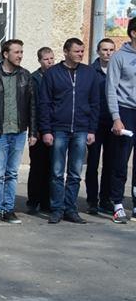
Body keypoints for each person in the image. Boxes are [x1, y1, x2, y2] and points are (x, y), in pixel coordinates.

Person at [39, 38, 100, 224]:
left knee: (75, 172)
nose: (80, 54)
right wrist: (46, 130)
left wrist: (92, 129)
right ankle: (57, 209)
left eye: (82, 51)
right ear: (66, 52)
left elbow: (95, 103)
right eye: (76, 51)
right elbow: (45, 103)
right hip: (59, 129)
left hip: (81, 130)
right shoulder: (53, 74)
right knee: (57, 172)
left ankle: (71, 209)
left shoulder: (89, 73)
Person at [0, 39, 37, 224]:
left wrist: (33, 133)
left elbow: (32, 107)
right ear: (5, 54)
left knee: (12, 173)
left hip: (19, 132)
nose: (20, 55)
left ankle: (8, 210)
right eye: (16, 52)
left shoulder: (26, 76)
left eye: (21, 52)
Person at [107, 17, 136, 223]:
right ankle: (117, 203)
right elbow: (111, 89)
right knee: (120, 161)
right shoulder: (119, 57)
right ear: (134, 33)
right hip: (125, 112)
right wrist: (116, 118)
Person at [86, 37, 116, 216]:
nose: (108, 53)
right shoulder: (90, 71)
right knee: (92, 163)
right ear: (98, 51)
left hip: (113, 122)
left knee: (110, 163)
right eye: (104, 50)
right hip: (95, 123)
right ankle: (92, 200)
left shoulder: (116, 69)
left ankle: (106, 199)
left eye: (111, 50)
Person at [27, 47, 56, 214]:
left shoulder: (58, 75)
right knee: (37, 166)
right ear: (39, 61)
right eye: (46, 59)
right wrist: (34, 130)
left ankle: (47, 201)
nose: (50, 62)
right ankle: (33, 201)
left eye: (52, 58)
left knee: (52, 167)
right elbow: (33, 106)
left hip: (54, 128)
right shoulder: (34, 79)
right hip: (37, 129)